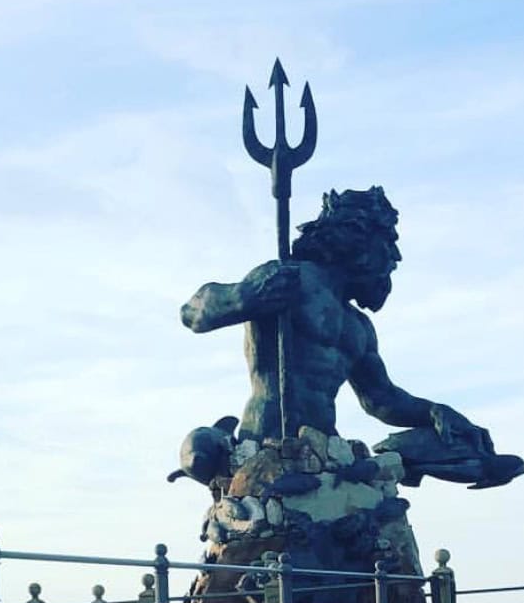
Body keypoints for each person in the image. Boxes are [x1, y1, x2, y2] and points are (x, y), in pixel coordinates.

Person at [181, 187, 501, 460]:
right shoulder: (290, 279)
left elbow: (381, 399)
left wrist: (433, 411)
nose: (395, 256)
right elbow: (193, 312)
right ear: (358, 239)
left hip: (323, 449)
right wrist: (242, 297)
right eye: (387, 242)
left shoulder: (357, 326)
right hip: (267, 444)